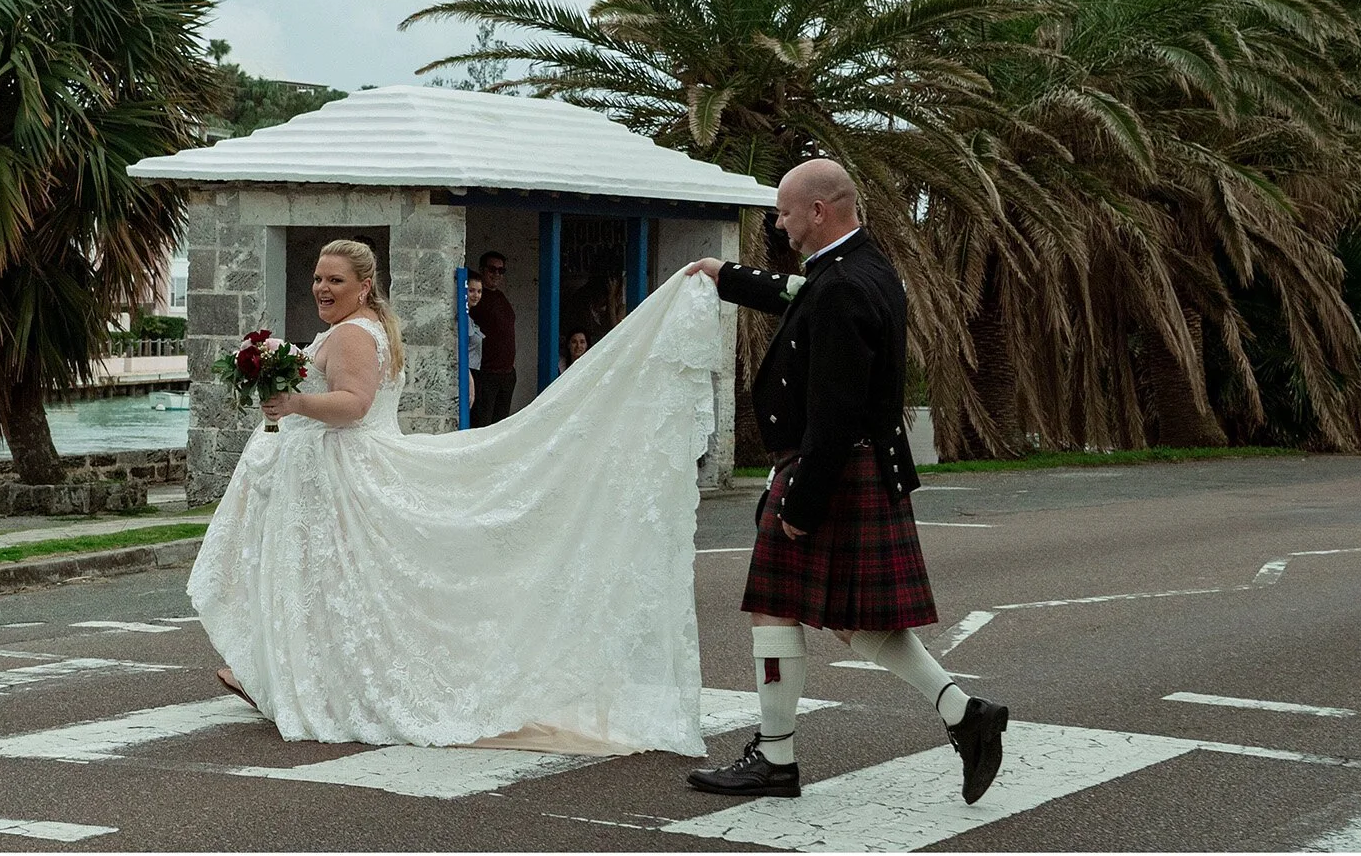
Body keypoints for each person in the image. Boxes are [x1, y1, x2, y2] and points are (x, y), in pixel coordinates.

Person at [188, 239, 731, 752]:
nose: (321, 288)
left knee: (327, 579)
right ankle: (277, 670)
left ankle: (300, 677)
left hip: (340, 473)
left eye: (335, 279)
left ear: (365, 284)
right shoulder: (371, 325)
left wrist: (294, 403)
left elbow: (353, 406)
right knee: (332, 583)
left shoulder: (353, 333)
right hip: (339, 470)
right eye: (317, 278)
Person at [680, 160, 1011, 805]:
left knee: (777, 607)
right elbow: (797, 297)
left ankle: (776, 761)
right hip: (860, 466)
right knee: (852, 619)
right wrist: (727, 278)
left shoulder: (841, 288)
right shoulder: (861, 269)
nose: (778, 224)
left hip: (829, 467)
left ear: (819, 211)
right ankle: (964, 714)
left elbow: (835, 408)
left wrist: (801, 503)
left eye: (782, 212)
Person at [467, 250, 516, 427]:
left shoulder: (500, 296)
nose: (496, 274)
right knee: (482, 427)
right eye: (492, 269)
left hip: (506, 374)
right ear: (482, 269)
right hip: (486, 375)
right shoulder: (476, 298)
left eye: (501, 271)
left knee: (499, 427)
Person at [464, 272, 487, 412]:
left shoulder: (469, 318)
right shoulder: (463, 319)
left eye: (479, 291)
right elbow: (460, 349)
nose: (476, 295)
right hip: (469, 373)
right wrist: (469, 379)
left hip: (475, 373)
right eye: (471, 290)